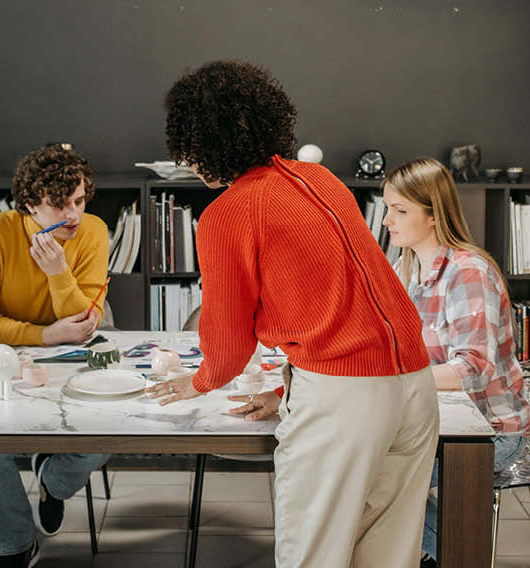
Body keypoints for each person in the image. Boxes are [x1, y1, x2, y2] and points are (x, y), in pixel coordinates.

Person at [145, 60, 439, 568]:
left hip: (347, 401)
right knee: (388, 557)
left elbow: (229, 341)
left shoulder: (228, 214)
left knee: (312, 557)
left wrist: (201, 381)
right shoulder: (319, 179)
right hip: (413, 385)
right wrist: (287, 392)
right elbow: (350, 312)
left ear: (198, 146)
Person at [0, 145, 109, 567]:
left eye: (79, 201)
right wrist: (44, 335)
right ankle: (16, 544)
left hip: (73, 357)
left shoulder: (92, 232)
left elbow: (84, 320)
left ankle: (52, 481)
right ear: (29, 205)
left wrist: (58, 272)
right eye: (60, 205)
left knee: (108, 431)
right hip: (3, 360)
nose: (75, 215)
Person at [381, 157, 530, 567]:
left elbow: (473, 368)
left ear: (433, 215)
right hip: (438, 419)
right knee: (363, 468)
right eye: (386, 207)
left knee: (374, 480)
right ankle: (441, 550)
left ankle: (459, 551)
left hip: (491, 433)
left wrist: (395, 381)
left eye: (400, 210)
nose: (387, 220)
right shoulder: (407, 265)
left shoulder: (467, 272)